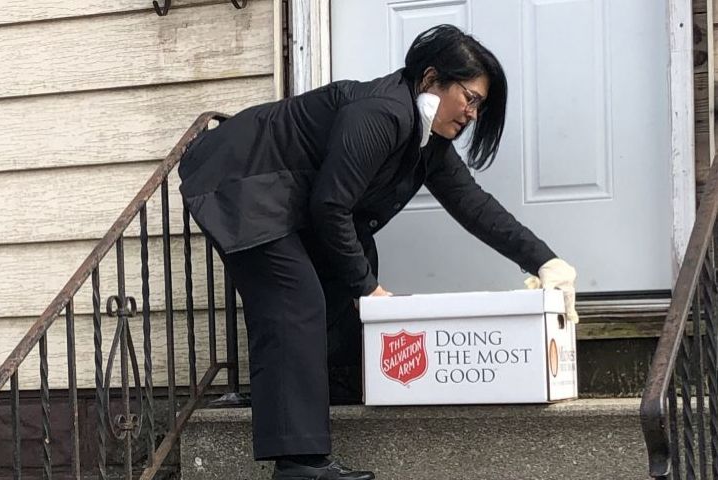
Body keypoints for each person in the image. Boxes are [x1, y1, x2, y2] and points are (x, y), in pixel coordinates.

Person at [178, 24, 578, 480]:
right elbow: (330, 206)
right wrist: (368, 288)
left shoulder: (427, 142)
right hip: (242, 180)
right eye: (469, 97)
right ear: (431, 80)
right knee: (296, 299)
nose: (472, 113)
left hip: (287, 195)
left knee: (349, 273)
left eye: (479, 106)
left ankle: (325, 393)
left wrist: (545, 260)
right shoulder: (382, 113)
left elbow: (474, 207)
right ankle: (299, 465)